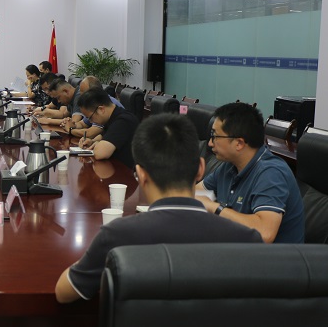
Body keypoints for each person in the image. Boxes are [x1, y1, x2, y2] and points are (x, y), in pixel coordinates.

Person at [54, 114, 263, 304]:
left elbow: (63, 293)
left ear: (141, 175)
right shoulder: (247, 239)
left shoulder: (117, 236)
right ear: (201, 169)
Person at [195, 102, 305, 243]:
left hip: (270, 256)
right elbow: (194, 193)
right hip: (237, 249)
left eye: (215, 136)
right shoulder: (229, 167)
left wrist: (215, 208)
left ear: (239, 143)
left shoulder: (271, 173)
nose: (210, 143)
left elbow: (265, 233)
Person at [77, 87, 139, 168]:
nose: (91, 122)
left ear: (101, 109)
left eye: (90, 118)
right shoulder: (112, 117)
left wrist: (98, 144)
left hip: (127, 172)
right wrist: (92, 141)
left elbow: (100, 153)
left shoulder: (124, 121)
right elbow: (103, 136)